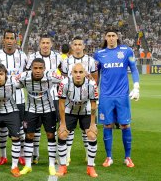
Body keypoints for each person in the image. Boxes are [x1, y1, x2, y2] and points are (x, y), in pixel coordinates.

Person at [94, 27, 140, 168]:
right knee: (107, 125)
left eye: (114, 35)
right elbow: (96, 75)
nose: (111, 37)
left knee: (125, 125)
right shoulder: (98, 54)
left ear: (117, 37)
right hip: (106, 96)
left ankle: (128, 157)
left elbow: (134, 69)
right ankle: (109, 157)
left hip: (122, 96)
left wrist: (136, 87)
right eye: (109, 35)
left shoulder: (127, 51)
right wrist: (94, 92)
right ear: (105, 38)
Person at [16, 58, 63, 176]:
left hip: (49, 109)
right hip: (31, 110)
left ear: (44, 69)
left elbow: (66, 80)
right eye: (35, 68)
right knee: (29, 135)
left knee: (50, 135)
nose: (37, 71)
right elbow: (12, 83)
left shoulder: (51, 76)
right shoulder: (24, 76)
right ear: (31, 68)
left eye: (40, 68)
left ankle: (52, 165)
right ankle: (28, 165)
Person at [0, 29, 27, 166]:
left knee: (20, 128)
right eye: (7, 38)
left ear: (16, 40)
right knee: (2, 129)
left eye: (12, 38)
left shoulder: (23, 56)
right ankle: (3, 156)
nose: (10, 41)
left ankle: (22, 155)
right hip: (1, 100)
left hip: (18, 99)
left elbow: (26, 75)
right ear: (3, 40)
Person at [56, 63, 99, 178]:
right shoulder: (64, 83)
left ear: (85, 73)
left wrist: (93, 124)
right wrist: (63, 124)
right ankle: (63, 166)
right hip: (70, 111)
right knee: (62, 134)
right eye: (75, 72)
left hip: (86, 111)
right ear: (71, 73)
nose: (78, 74)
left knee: (92, 135)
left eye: (81, 72)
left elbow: (94, 105)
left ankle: (90, 167)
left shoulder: (91, 84)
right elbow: (61, 104)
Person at [60, 36, 98, 165]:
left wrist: (92, 90)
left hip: (86, 100)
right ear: (72, 46)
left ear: (83, 46)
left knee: (86, 130)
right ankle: (68, 155)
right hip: (71, 101)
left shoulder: (90, 60)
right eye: (75, 44)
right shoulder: (66, 61)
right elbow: (64, 79)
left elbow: (95, 78)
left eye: (79, 44)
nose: (77, 46)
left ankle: (88, 156)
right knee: (67, 132)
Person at [25, 34, 62, 164]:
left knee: (52, 129)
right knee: (34, 128)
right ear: (39, 44)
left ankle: (55, 155)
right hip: (34, 98)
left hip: (53, 97)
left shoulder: (57, 57)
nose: (45, 45)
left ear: (51, 44)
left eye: (48, 42)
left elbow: (63, 75)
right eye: (43, 43)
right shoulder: (32, 57)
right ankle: (35, 154)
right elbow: (27, 75)